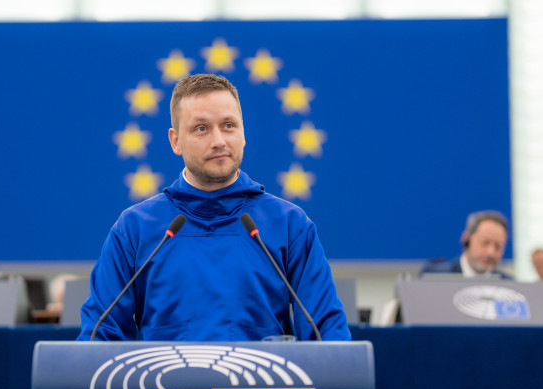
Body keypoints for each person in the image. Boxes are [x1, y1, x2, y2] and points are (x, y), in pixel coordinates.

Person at [79, 74, 349, 341]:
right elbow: (99, 341)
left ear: (243, 133)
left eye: (229, 125)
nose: (219, 140)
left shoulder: (289, 225)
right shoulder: (135, 228)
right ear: (175, 141)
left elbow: (328, 338)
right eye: (201, 128)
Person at [420, 210, 513, 279]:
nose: (491, 252)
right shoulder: (435, 277)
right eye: (484, 243)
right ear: (466, 239)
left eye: (498, 246)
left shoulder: (510, 287)